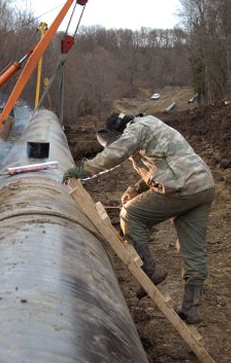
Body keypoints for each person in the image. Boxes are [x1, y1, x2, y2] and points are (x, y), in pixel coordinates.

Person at [63, 112, 215, 324]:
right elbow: (164, 164)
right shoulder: (153, 125)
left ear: (121, 131)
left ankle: (151, 269)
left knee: (131, 214)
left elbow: (116, 154)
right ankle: (191, 308)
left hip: (182, 187)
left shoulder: (135, 129)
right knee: (194, 250)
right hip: (203, 186)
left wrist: (82, 170)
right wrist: (135, 188)